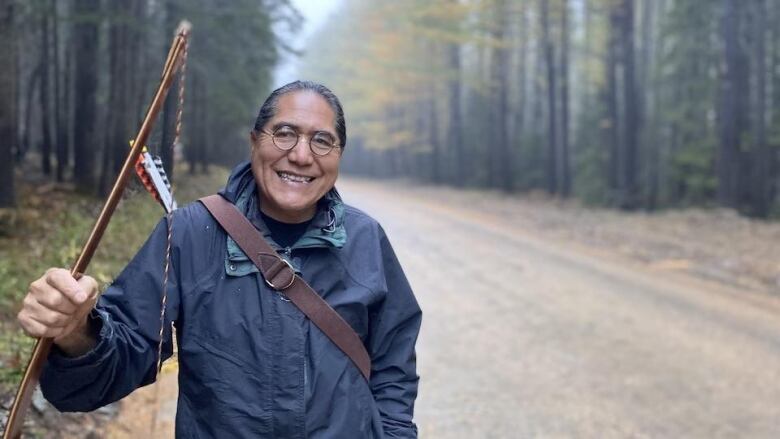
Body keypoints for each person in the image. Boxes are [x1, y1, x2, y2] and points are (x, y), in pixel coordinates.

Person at [17, 80, 422, 438]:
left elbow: (393, 369)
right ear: (254, 141)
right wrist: (75, 333)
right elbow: (122, 356)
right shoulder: (191, 233)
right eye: (284, 133)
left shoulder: (366, 238)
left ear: (338, 155)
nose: (301, 155)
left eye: (322, 140)